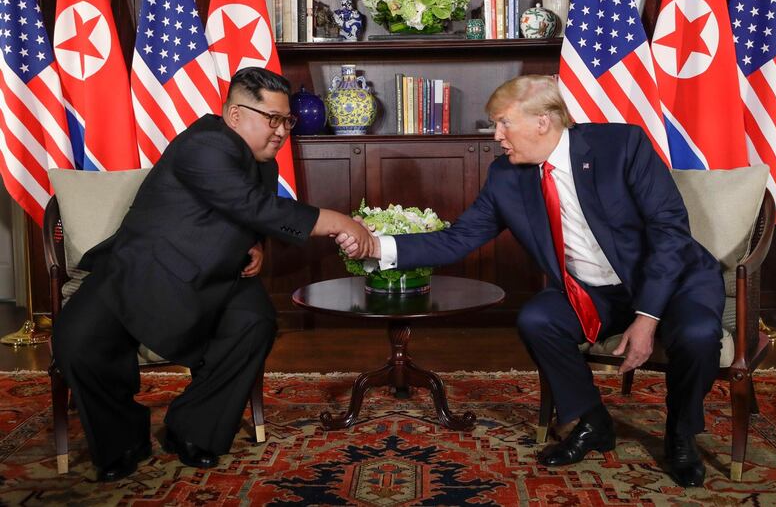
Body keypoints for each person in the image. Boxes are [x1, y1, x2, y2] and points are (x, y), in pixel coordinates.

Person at [341, 75, 724, 488]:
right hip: (596, 292)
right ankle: (593, 421)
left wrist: (647, 318)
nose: (496, 136)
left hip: (674, 281)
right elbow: (460, 238)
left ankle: (681, 433)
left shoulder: (622, 146)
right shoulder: (507, 175)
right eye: (494, 125)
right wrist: (376, 247)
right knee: (538, 318)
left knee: (699, 334)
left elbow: (670, 233)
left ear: (543, 121)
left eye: (503, 123)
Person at [52, 67, 373, 482]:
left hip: (217, 272)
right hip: (143, 265)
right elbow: (250, 204)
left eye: (287, 120)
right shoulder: (205, 143)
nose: (280, 131)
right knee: (77, 343)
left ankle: (192, 431)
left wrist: (255, 244)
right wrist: (340, 223)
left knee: (255, 322)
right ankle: (122, 440)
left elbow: (245, 213)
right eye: (271, 119)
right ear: (235, 115)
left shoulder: (260, 160)